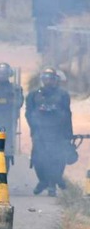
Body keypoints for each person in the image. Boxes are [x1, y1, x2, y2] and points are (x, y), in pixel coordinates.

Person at [26, 67, 73, 197]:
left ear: (55, 80)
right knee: (38, 159)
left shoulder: (63, 95)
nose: (48, 81)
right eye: (45, 78)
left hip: (58, 132)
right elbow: (28, 113)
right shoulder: (33, 95)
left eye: (51, 78)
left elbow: (67, 114)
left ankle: (53, 183)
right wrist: (33, 127)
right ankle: (43, 181)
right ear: (42, 80)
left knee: (57, 159)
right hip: (40, 132)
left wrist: (69, 133)